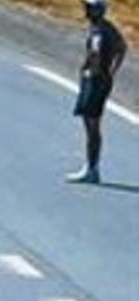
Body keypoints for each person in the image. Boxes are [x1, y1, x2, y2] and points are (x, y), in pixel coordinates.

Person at [67, 0, 126, 184]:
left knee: (92, 125)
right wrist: (110, 71)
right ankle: (91, 166)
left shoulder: (101, 30)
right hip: (96, 79)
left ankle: (92, 168)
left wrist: (100, 71)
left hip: (95, 81)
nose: (86, 11)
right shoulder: (104, 28)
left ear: (98, 10)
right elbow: (122, 47)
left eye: (89, 8)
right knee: (89, 123)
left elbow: (100, 51)